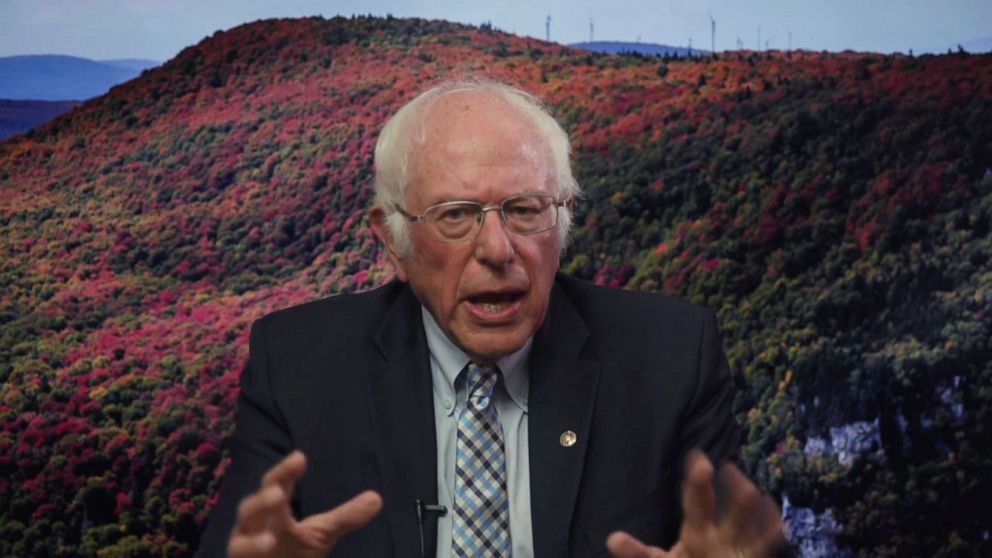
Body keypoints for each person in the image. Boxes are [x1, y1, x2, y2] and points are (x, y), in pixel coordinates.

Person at [195, 79, 786, 558]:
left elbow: (740, 543)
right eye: (456, 215)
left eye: (525, 210)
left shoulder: (672, 356)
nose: (498, 249)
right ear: (394, 243)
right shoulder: (296, 365)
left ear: (563, 223)